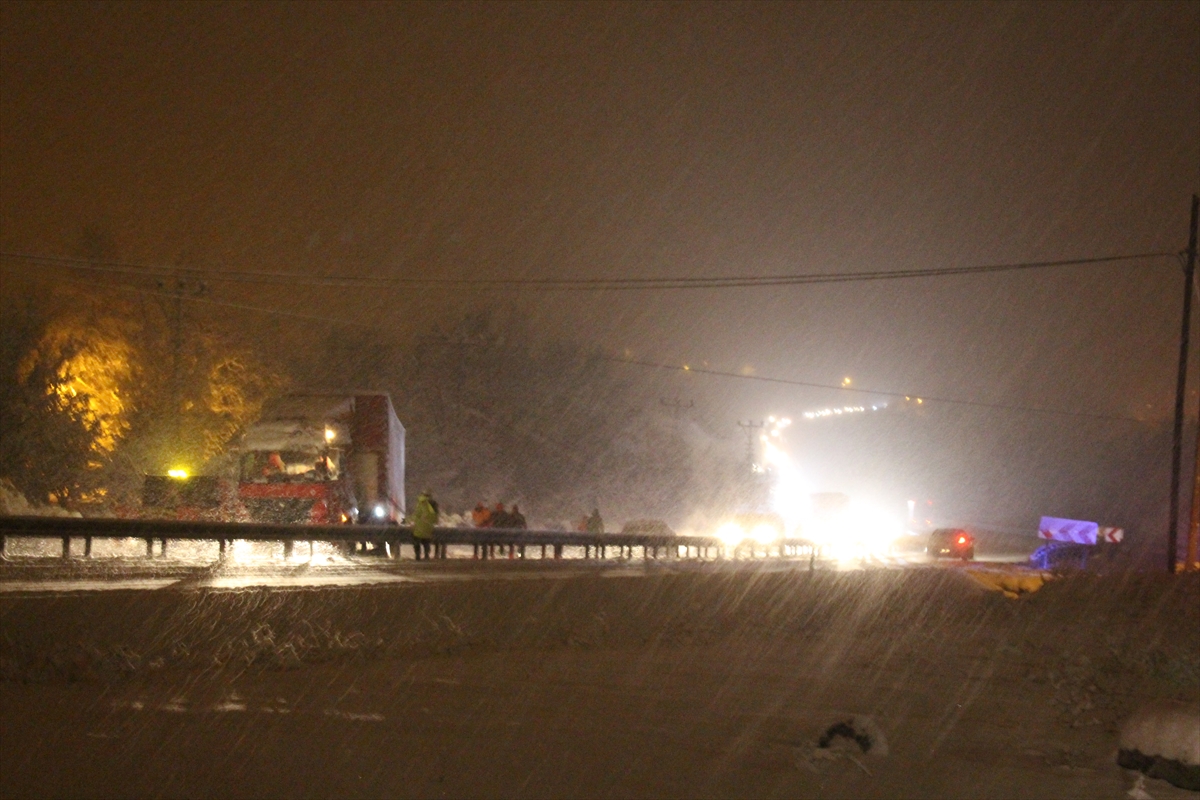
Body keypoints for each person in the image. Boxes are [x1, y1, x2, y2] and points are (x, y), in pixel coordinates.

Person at [411, 489, 437, 561]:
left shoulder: (421, 503)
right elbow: (435, 516)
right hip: (428, 526)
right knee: (426, 541)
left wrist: (412, 521)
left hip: (419, 526)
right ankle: (426, 555)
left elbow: (417, 514)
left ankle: (417, 555)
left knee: (416, 540)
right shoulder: (433, 503)